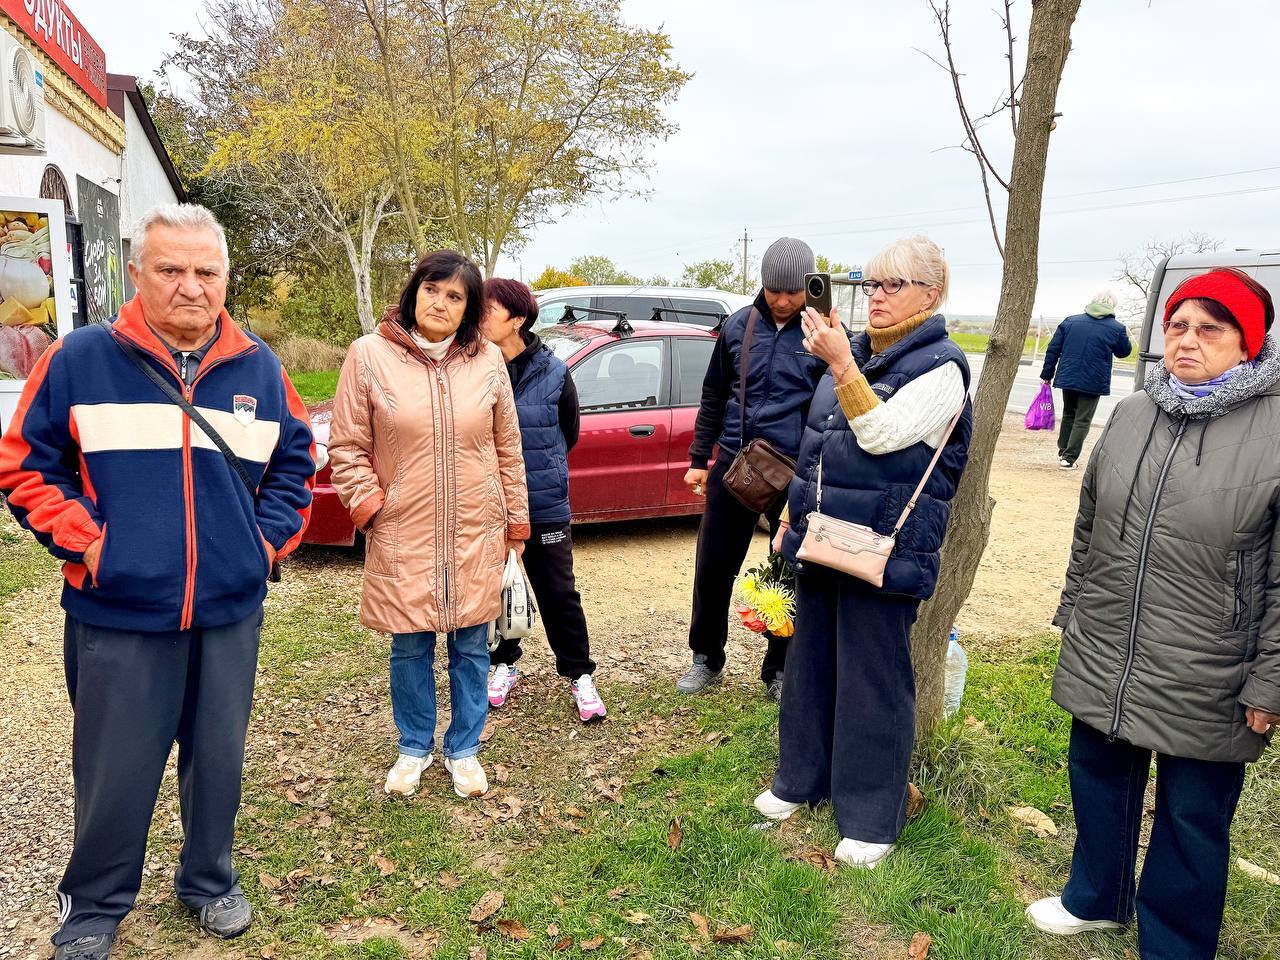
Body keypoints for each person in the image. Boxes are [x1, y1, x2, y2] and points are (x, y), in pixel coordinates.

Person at [0, 204, 316, 960]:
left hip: (228, 611)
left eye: (206, 272)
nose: (190, 287)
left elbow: (296, 469)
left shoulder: (261, 369)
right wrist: (95, 549)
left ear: (226, 279)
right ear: (136, 272)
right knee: (114, 766)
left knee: (218, 759)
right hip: (119, 612)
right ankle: (95, 907)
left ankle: (208, 881)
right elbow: (25, 465)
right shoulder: (79, 358)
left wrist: (260, 551)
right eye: (170, 269)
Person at [1027, 267, 1280, 958]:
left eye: (1209, 329)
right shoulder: (1136, 412)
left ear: (1247, 342)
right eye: (1176, 327)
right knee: (1099, 774)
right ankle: (1095, 898)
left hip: (1213, 658)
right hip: (1111, 639)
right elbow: (1089, 522)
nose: (1186, 341)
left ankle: (1175, 941)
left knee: (1194, 812)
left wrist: (1270, 680)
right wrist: (1075, 607)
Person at [755, 235, 972, 870]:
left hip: (887, 549)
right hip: (826, 539)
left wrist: (841, 366)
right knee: (811, 666)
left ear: (931, 295)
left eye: (892, 285)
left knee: (874, 683)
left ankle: (873, 817)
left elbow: (879, 435)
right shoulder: (858, 355)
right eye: (870, 284)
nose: (876, 296)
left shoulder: (943, 367)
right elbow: (819, 445)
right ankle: (799, 780)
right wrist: (793, 514)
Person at [328, 251, 529, 802]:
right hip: (404, 529)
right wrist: (372, 507)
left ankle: (464, 748)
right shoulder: (368, 356)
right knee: (410, 646)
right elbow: (347, 446)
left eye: (455, 296)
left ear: (469, 309)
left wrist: (516, 521)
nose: (440, 303)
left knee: (470, 646)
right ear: (415, 291)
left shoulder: (487, 361)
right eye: (432, 290)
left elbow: (507, 447)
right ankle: (414, 745)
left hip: (474, 529)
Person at [680, 237, 830, 700]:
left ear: (808, 286)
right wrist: (698, 460)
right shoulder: (738, 327)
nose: (783, 301)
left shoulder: (822, 334)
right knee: (712, 566)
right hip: (735, 463)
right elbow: (712, 395)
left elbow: (832, 406)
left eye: (793, 292)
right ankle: (706, 657)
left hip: (796, 469)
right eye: (773, 290)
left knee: (789, 567)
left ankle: (780, 668)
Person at [479, 277, 606, 722]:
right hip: (487, 506)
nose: (478, 318)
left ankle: (579, 674)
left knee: (558, 593)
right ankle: (502, 664)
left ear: (516, 320)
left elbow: (567, 433)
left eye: (487, 310)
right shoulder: (472, 367)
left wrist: (539, 473)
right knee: (494, 592)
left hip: (543, 503)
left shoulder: (554, 372)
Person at [1039, 291, 1131, 468]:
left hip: (1068, 375)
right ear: (1112, 306)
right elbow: (1123, 352)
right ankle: (1069, 458)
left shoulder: (1070, 321)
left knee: (1069, 414)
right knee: (1082, 419)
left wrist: (1046, 374)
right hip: (1093, 381)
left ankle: (1063, 451)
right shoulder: (1116, 328)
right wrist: (1123, 336)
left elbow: (1053, 349)